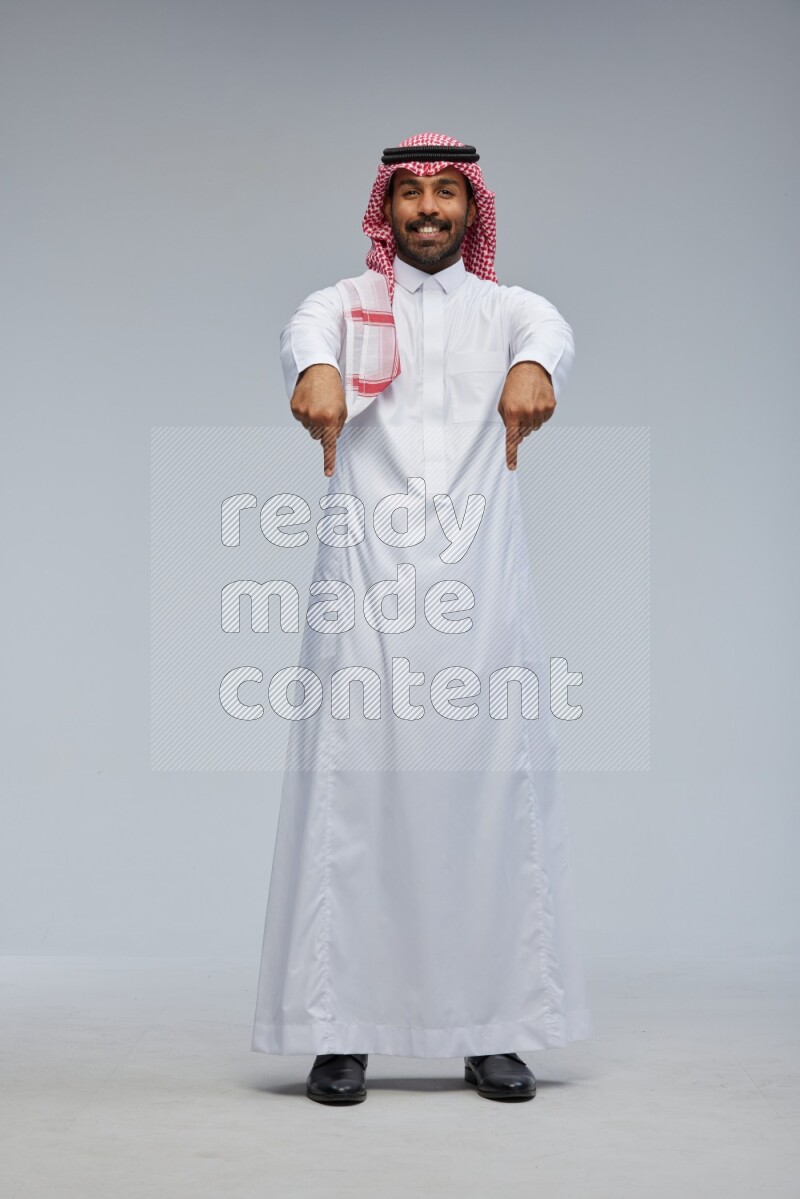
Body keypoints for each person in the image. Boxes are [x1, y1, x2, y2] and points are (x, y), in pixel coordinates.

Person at [251, 132, 593, 1104]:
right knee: (350, 801)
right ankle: (337, 1030)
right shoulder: (344, 306)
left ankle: (494, 1031)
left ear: (471, 209)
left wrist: (536, 370)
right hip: (363, 588)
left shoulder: (506, 308)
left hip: (479, 594)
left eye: (448, 192)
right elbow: (304, 341)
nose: (430, 209)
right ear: (386, 208)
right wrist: (312, 375)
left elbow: (549, 336)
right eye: (412, 194)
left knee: (489, 804)